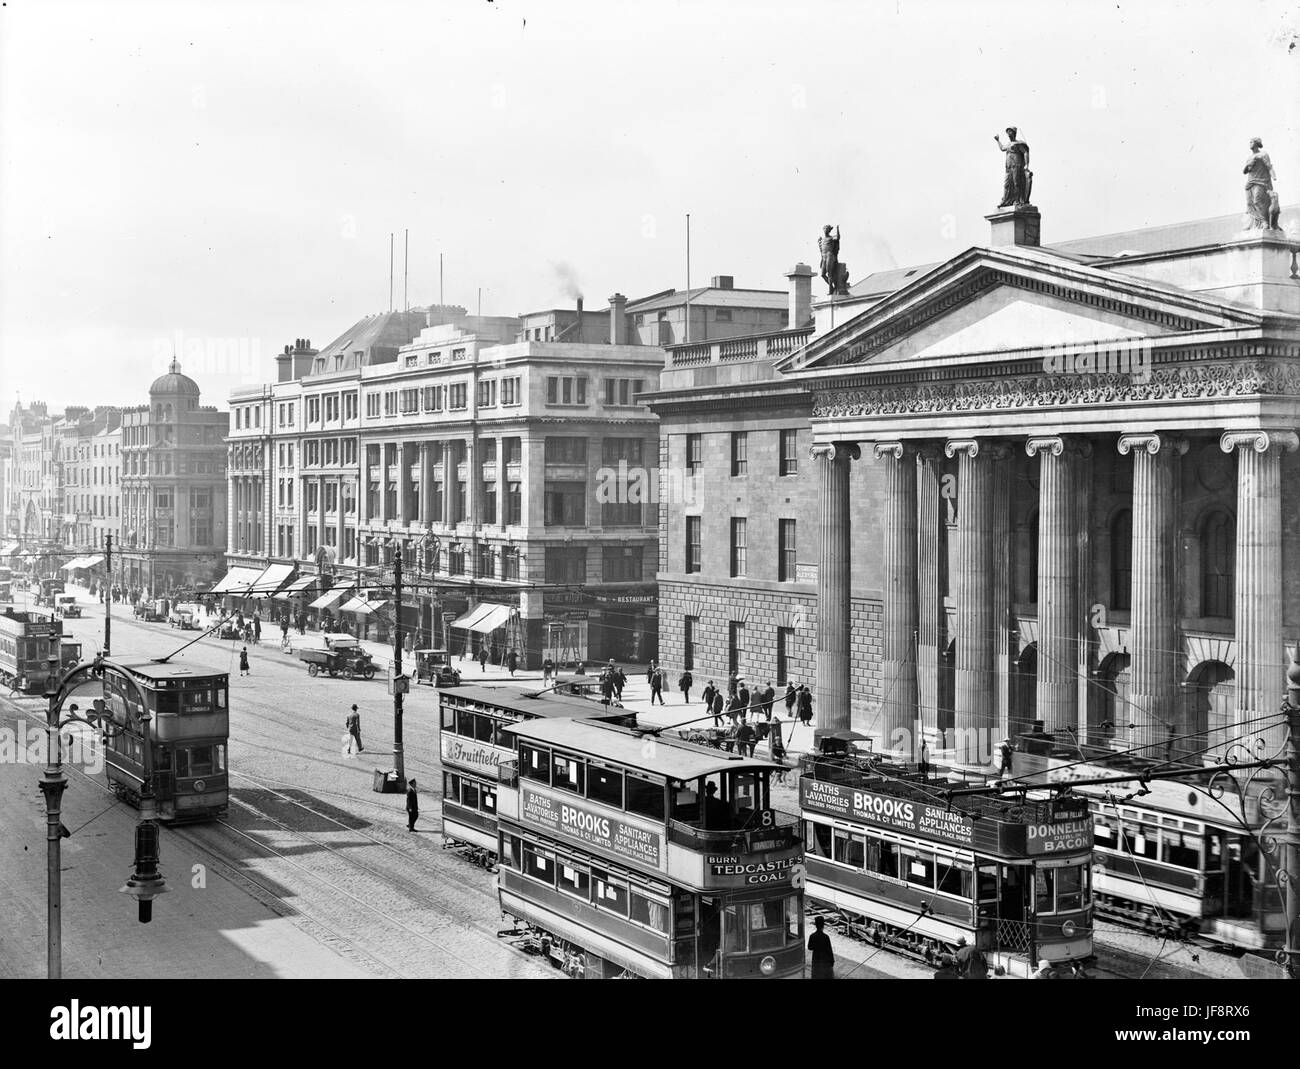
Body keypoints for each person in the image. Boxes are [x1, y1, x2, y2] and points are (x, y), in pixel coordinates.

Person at [1244, 137, 1279, 229]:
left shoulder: (1263, 154)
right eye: (1249, 142)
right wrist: (1248, 165)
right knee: (1249, 204)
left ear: (1256, 143)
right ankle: (1256, 223)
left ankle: (1264, 222)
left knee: (1256, 201)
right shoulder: (1249, 157)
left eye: (1251, 142)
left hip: (1261, 182)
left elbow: (1269, 167)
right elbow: (1244, 171)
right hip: (1250, 183)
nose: (1250, 143)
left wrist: (1274, 176)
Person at [994, 126, 1031, 207]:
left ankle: (1017, 200)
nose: (1008, 134)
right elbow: (1002, 148)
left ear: (1014, 133)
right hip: (1008, 167)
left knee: (1016, 183)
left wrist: (1027, 165)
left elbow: (1025, 152)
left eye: (1010, 132)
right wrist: (998, 140)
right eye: (1007, 132)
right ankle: (1006, 200)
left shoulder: (1018, 143)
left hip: (1016, 165)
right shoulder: (1008, 145)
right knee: (1007, 184)